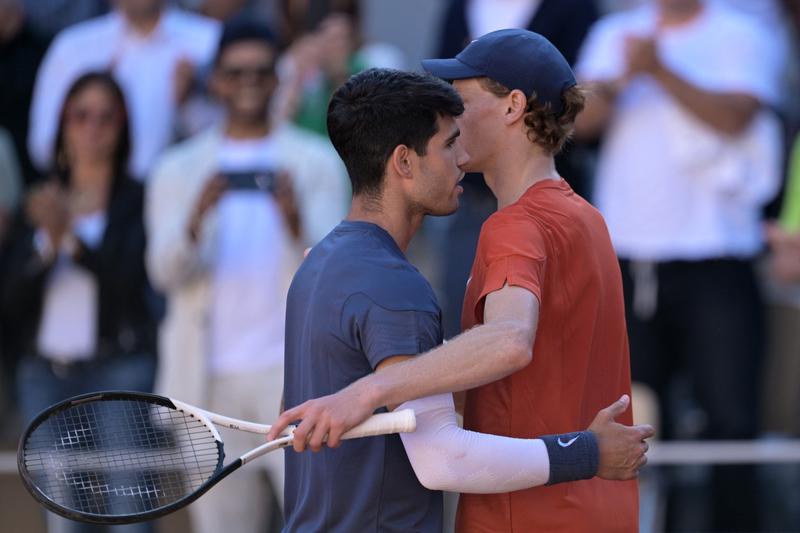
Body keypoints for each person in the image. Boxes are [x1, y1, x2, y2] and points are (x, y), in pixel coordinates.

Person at [270, 31, 646, 532]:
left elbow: (510, 343)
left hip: (529, 515)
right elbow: (512, 387)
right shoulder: (589, 220)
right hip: (599, 510)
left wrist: (369, 386)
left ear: (513, 106)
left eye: (462, 103)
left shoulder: (512, 226)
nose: (452, 117)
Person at [574, 0, 783, 529]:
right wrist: (625, 76)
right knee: (630, 422)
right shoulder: (614, 34)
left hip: (717, 260)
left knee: (731, 423)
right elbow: (576, 123)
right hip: (627, 260)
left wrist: (660, 69)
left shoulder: (742, 33)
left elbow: (739, 116)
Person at [145, 19, 349, 533]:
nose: (249, 82)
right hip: (205, 385)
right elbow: (162, 272)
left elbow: (339, 271)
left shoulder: (316, 161)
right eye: (236, 72)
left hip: (296, 381)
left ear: (278, 77)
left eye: (261, 71)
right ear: (215, 80)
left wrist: (296, 220)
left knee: (321, 523)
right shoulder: (178, 168)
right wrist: (195, 218)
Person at [0, 71, 156, 533]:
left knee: (130, 514)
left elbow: (132, 286)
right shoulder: (41, 199)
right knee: (64, 517)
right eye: (80, 115)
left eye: (106, 117)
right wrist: (47, 245)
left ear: (122, 126)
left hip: (119, 372)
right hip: (46, 377)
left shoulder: (136, 198)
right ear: (63, 123)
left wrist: (69, 241)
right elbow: (10, 300)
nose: (92, 127)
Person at [28, 0, 220, 180]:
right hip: (95, 198)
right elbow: (43, 145)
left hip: (181, 193)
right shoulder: (73, 47)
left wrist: (189, 103)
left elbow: (235, 142)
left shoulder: (210, 41)